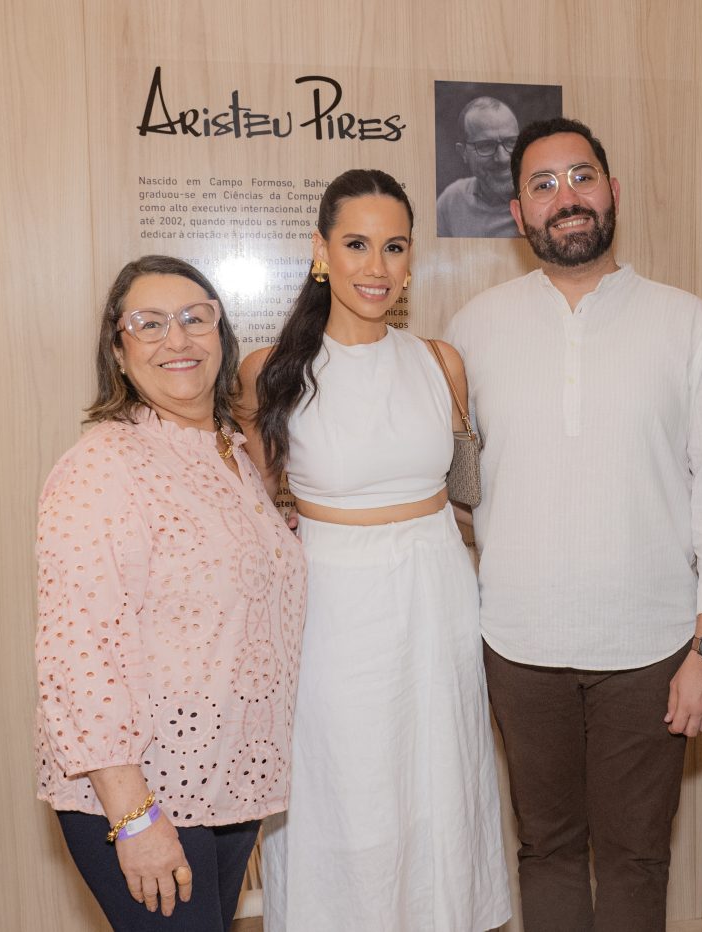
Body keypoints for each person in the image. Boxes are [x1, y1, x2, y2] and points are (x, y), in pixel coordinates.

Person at [445, 117, 702, 932]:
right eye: (543, 185)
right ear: (518, 214)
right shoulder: (474, 329)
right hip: (517, 645)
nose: (565, 198)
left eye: (581, 177)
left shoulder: (687, 324)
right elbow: (461, 491)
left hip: (651, 650)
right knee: (545, 851)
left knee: (637, 858)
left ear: (613, 193)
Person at [237, 168, 511, 931]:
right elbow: (256, 514)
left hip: (436, 594)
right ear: (321, 251)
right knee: (346, 793)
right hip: (332, 609)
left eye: (394, 247)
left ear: (412, 259)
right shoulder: (270, 373)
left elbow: (468, 497)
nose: (377, 267)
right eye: (356, 244)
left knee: (440, 784)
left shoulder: (440, 362)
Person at [34, 255, 306, 931]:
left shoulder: (232, 453)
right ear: (119, 353)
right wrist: (134, 817)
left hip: (221, 788)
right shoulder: (102, 466)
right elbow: (79, 656)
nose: (177, 339)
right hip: (142, 796)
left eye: (195, 318)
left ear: (222, 337)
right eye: (148, 324)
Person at [436, 96, 521, 238]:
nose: (502, 158)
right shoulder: (452, 201)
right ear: (463, 153)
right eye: (486, 145)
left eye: (511, 142)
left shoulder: (542, 201)